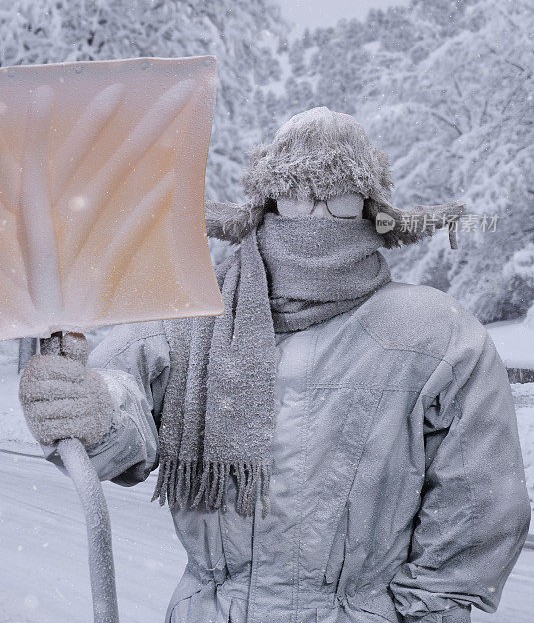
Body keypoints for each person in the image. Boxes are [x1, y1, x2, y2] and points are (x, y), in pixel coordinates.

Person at [20, 107, 531, 623]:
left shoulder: (434, 332)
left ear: (370, 208)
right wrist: (92, 406)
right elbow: (124, 393)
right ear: (267, 206)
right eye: (297, 196)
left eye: (341, 200)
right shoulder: (195, 319)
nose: (317, 217)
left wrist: (431, 611)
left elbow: (479, 498)